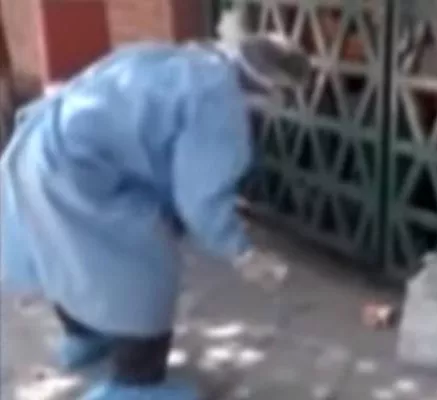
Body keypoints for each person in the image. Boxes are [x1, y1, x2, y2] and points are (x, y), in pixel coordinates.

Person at [0, 27, 311, 400]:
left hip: (38, 151)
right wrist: (241, 251)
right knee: (145, 270)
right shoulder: (220, 103)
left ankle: (86, 339)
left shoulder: (188, 59)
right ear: (272, 89)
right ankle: (135, 384)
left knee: (69, 256)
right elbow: (201, 201)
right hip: (77, 174)